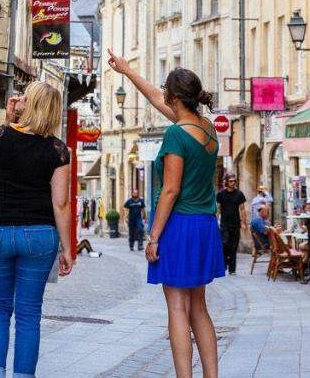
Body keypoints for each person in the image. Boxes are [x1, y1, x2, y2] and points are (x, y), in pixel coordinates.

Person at [108, 50, 223, 378]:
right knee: (199, 308)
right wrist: (128, 72)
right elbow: (157, 97)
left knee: (177, 307)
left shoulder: (175, 134)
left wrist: (153, 235)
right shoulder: (207, 129)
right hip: (205, 224)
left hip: (180, 225)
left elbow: (170, 191)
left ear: (175, 97)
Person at [0, 82, 75, 378]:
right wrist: (68, 247)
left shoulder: (1, 136)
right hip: (38, 233)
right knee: (29, 315)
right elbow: (60, 203)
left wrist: (8, 121)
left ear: (26, 105)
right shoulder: (58, 149)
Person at [214, 175, 248, 275]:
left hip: (235, 224)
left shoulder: (239, 194)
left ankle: (232, 269)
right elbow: (218, 209)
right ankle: (224, 265)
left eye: (234, 181)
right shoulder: (221, 194)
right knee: (224, 244)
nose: (233, 183)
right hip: (224, 223)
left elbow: (242, 209)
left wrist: (243, 222)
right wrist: (216, 221)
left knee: (234, 246)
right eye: (231, 181)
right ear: (226, 182)